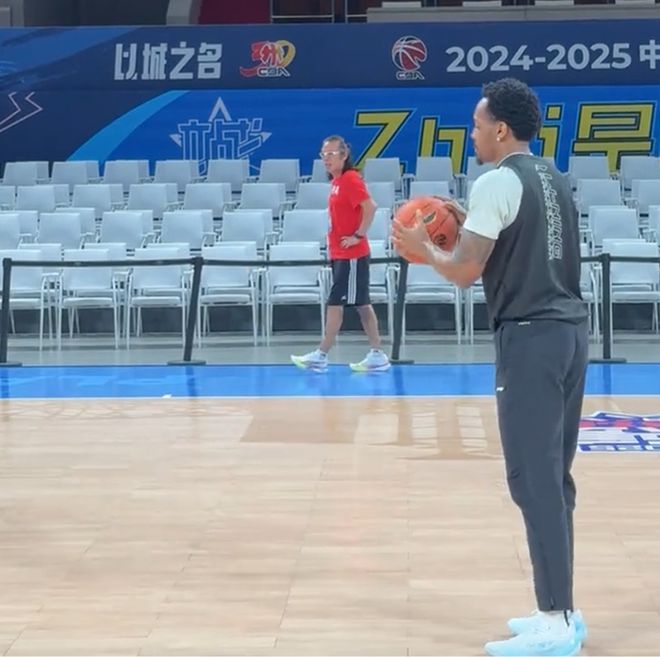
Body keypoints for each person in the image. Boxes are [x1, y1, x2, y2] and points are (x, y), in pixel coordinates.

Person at [393, 78, 589, 657]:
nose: (473, 134)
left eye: (478, 126)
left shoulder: (496, 181)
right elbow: (522, 242)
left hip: (530, 338)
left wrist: (424, 248)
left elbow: (463, 271)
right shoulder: (552, 176)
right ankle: (560, 608)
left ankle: (556, 620)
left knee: (532, 480)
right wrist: (466, 221)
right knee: (553, 479)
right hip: (570, 333)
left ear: (500, 129)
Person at [291, 135, 391, 372]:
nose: (326, 159)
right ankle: (376, 354)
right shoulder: (336, 182)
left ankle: (322, 353)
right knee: (361, 304)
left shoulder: (350, 179)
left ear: (344, 155)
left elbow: (370, 207)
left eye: (331, 154)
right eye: (323, 154)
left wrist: (358, 235)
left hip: (352, 255)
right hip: (340, 254)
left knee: (337, 302)